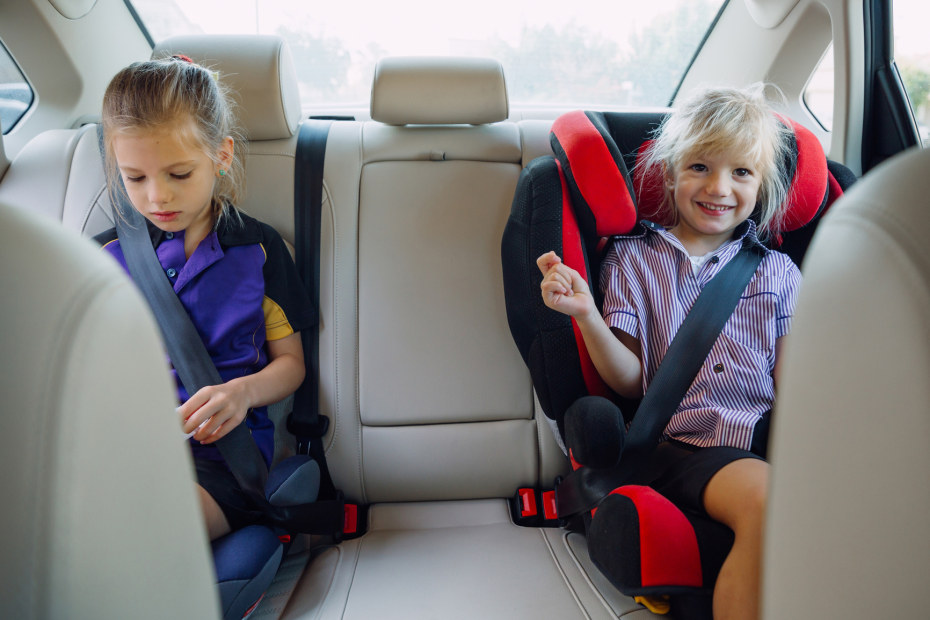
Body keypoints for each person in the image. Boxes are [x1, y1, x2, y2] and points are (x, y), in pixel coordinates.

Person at [537, 84, 800, 620]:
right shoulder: (633, 259)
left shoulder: (779, 272)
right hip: (680, 445)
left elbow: (794, 384)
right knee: (772, 504)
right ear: (672, 171)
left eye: (741, 173)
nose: (719, 187)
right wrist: (588, 314)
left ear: (763, 185)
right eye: (700, 166)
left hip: (758, 442)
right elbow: (632, 380)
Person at [95, 56, 314, 541]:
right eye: (135, 178)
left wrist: (243, 393)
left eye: (178, 174)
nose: (157, 198)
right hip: (120, 450)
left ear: (221, 155)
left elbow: (291, 365)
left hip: (222, 460)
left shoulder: (258, 251)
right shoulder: (103, 257)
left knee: (144, 532)